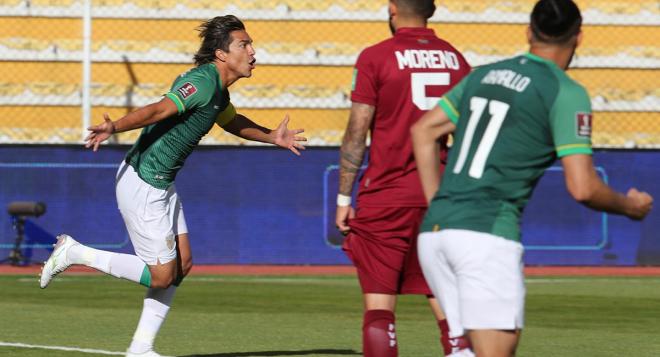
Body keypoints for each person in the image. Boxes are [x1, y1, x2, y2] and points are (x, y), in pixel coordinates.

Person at [39, 15, 306, 357]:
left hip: (161, 183)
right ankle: (74, 252)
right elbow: (159, 109)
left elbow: (232, 121)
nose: (253, 51)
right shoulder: (204, 81)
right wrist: (113, 127)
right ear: (222, 54)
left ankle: (141, 348)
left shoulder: (218, 92)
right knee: (162, 276)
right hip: (144, 182)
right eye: (244, 44)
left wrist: (271, 136)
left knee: (183, 264)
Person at [411, 0, 654, 356]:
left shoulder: (483, 76)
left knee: (465, 352)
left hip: (435, 235)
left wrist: (440, 204)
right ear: (579, 37)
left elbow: (423, 130)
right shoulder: (565, 91)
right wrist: (629, 206)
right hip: (485, 237)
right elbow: (583, 188)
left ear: (528, 32)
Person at [335, 1, 472, 356]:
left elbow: (356, 131)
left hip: (387, 194)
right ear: (432, 9)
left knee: (380, 309)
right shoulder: (457, 60)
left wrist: (344, 199)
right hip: (438, 195)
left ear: (393, 9)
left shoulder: (376, 57)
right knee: (445, 300)